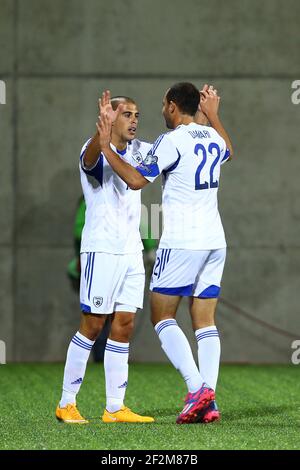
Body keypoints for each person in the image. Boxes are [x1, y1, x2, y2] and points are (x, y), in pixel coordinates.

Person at [96, 82, 233, 425]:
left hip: (183, 241)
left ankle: (197, 388)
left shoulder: (171, 141)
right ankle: (209, 401)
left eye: (162, 105)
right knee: (205, 320)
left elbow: (137, 181)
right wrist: (214, 116)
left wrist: (106, 149)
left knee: (161, 316)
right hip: (215, 241)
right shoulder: (212, 136)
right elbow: (229, 150)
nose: (160, 111)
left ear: (173, 106)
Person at [56, 95, 155, 424]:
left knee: (124, 326)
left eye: (136, 115)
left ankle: (115, 407)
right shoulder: (93, 148)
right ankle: (66, 402)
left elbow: (158, 161)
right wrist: (102, 139)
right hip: (101, 249)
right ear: (109, 118)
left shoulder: (140, 149)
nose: (134, 120)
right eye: (126, 114)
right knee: (93, 325)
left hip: (130, 252)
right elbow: (90, 159)